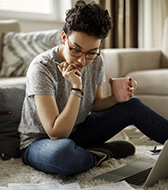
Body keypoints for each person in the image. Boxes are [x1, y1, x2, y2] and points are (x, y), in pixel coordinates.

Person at [18, 0, 168, 176]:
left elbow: (94, 104)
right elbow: (56, 133)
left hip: (78, 131)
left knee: (132, 105)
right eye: (76, 50)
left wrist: (114, 98)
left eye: (91, 52)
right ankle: (101, 153)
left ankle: (87, 150)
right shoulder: (42, 67)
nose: (82, 60)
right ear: (64, 38)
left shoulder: (97, 60)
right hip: (41, 142)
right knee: (64, 155)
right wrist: (76, 88)